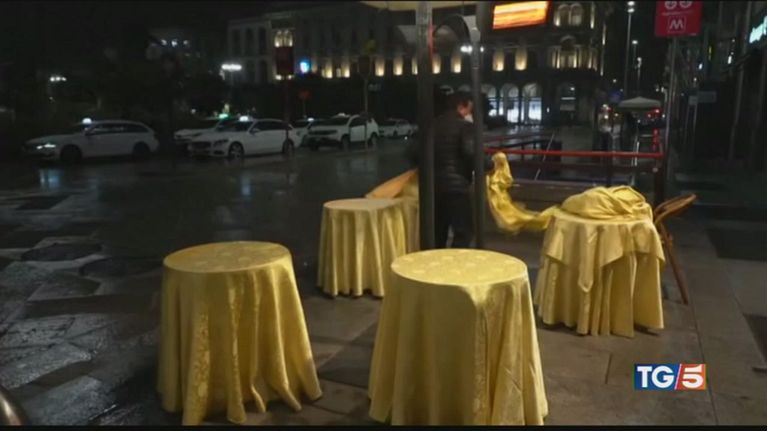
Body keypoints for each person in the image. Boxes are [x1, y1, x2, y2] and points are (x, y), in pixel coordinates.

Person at [409, 91, 490, 248]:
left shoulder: (431, 125)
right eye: (469, 110)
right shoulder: (465, 126)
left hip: (432, 189)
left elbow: (413, 154)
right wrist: (489, 164)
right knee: (463, 232)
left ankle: (437, 261)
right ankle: (455, 261)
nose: (469, 114)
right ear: (461, 106)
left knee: (438, 233)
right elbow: (471, 153)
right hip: (456, 188)